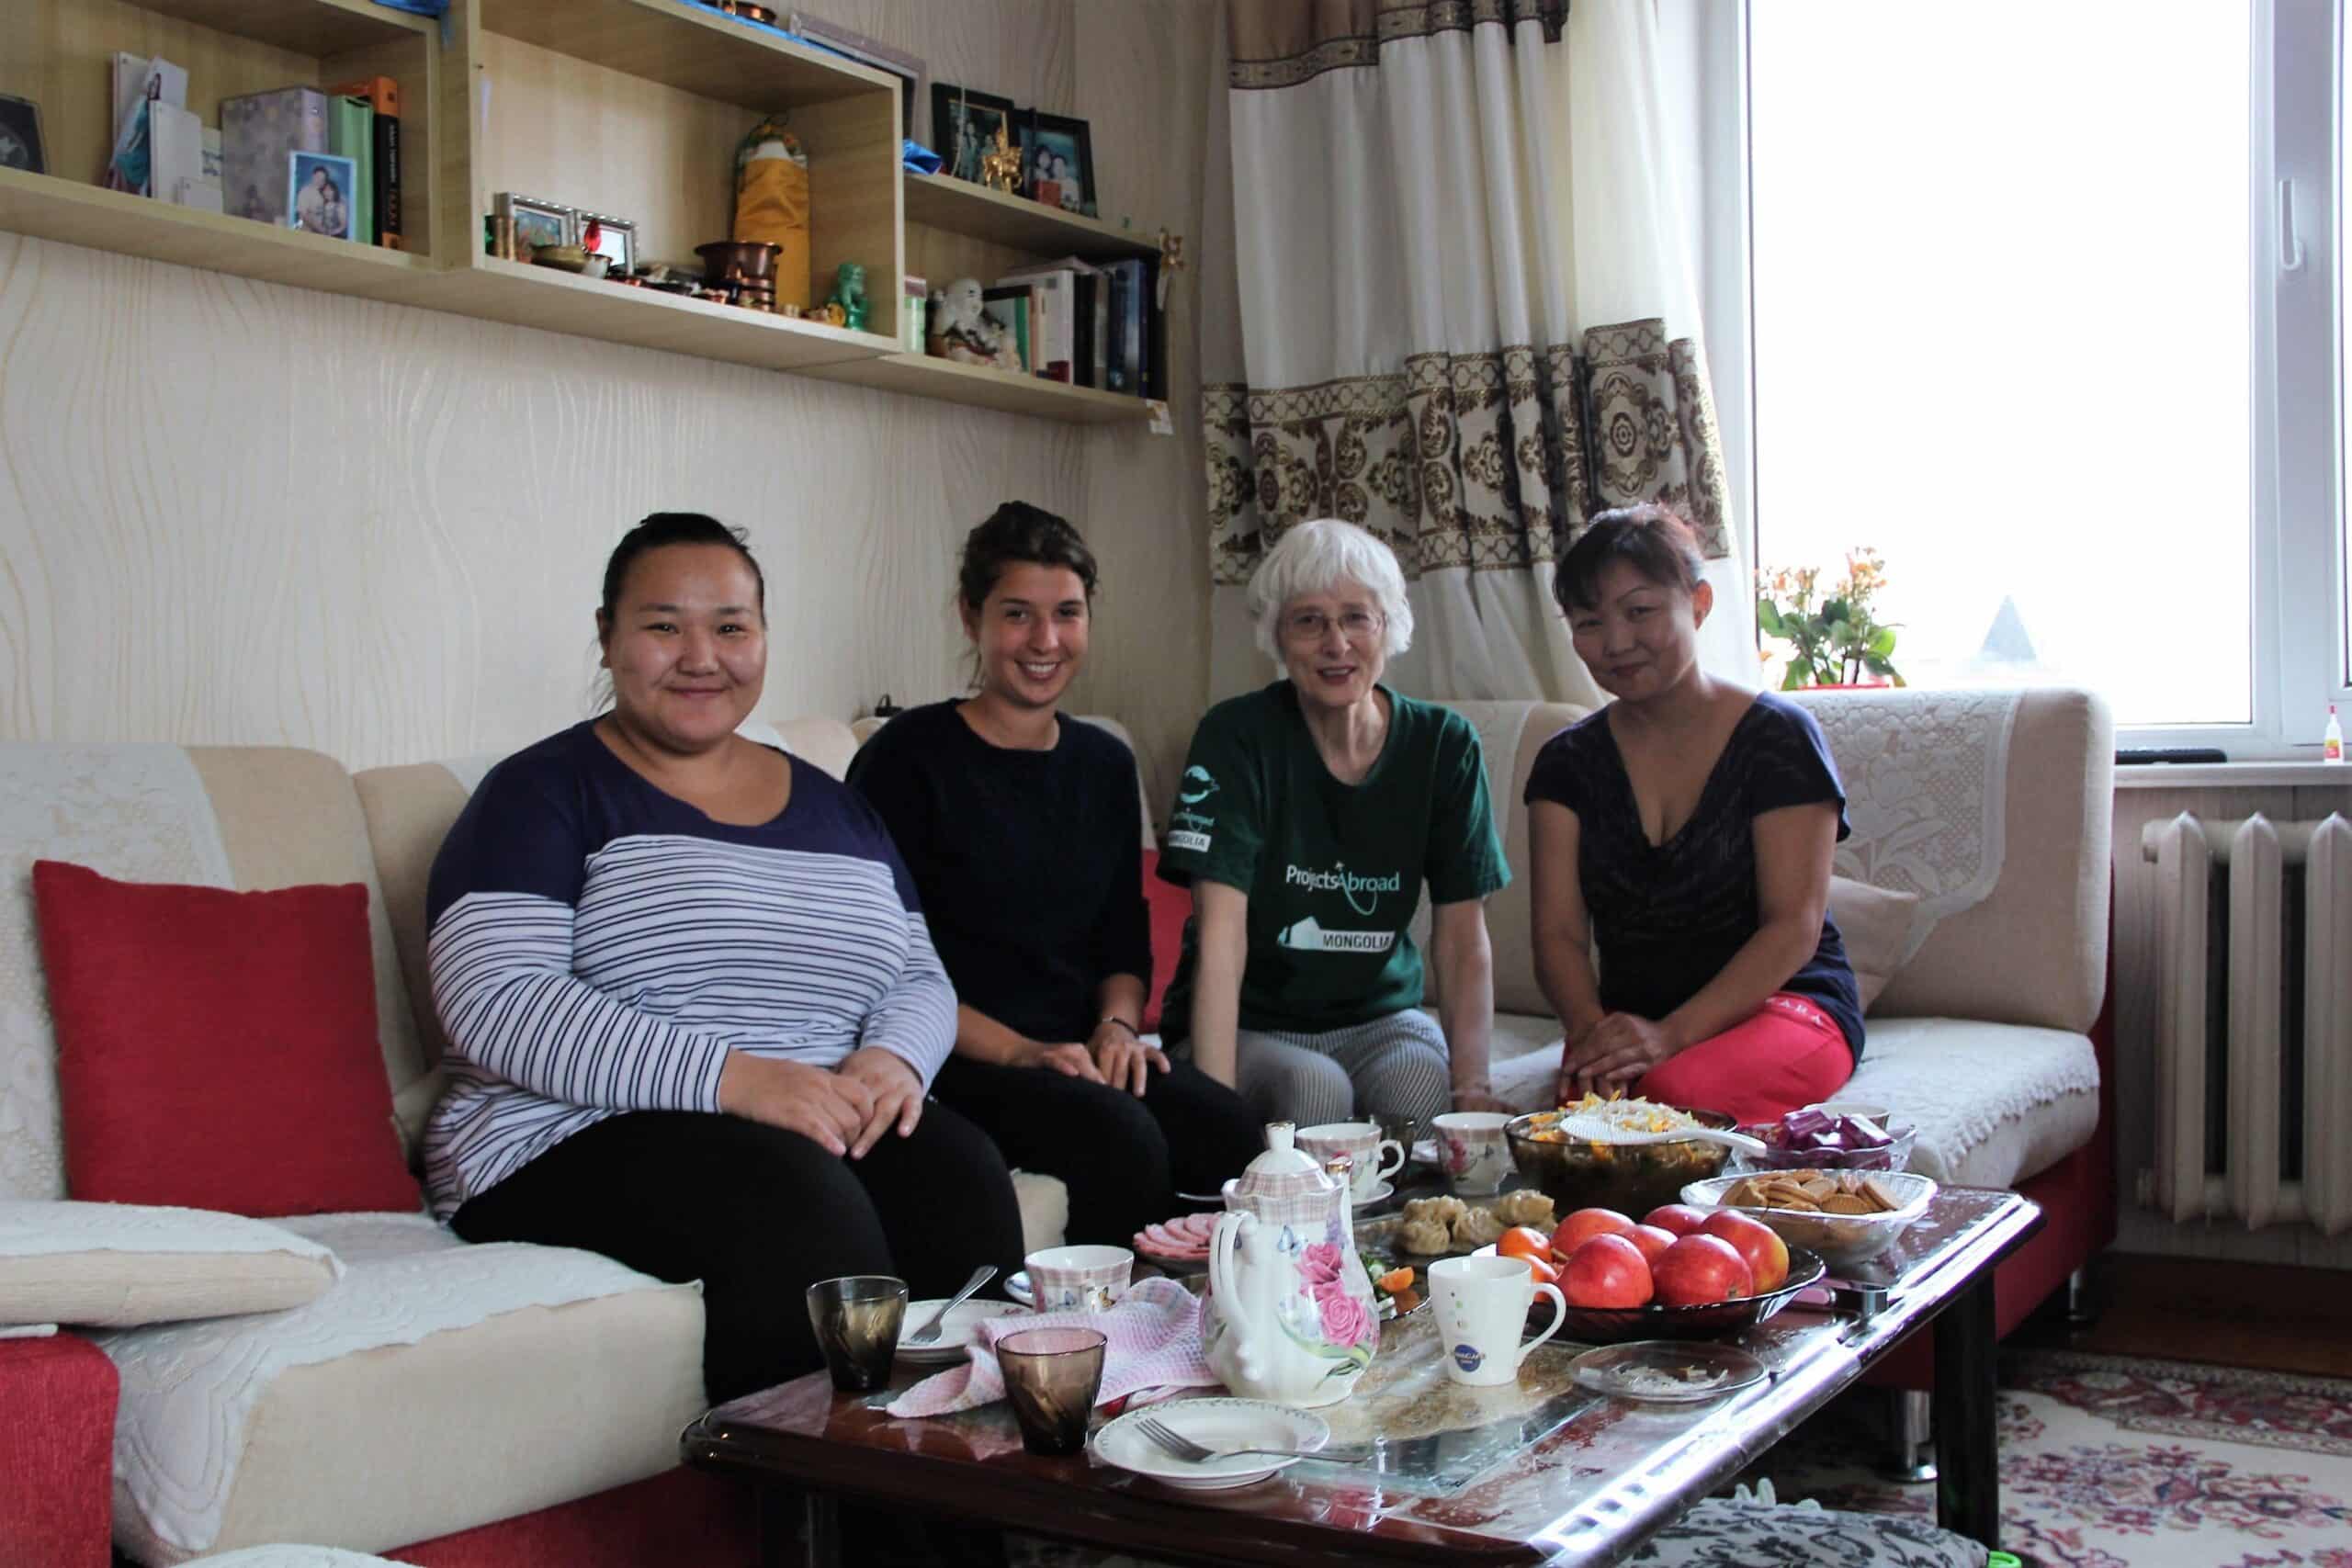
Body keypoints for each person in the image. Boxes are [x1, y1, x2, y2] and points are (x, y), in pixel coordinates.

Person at [424, 512, 1024, 1404]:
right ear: (607, 638)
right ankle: (821, 1521)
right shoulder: (541, 793)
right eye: (663, 625)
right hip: (571, 1134)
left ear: (763, 639)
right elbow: (498, 999)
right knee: (796, 1209)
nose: (700, 656)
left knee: (956, 1171)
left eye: (731, 628)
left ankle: (979, 1508)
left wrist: (892, 1058)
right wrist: (735, 1079)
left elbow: (916, 971)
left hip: (812, 1113)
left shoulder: (836, 808)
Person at [848, 502, 1263, 1243]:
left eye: (1066, 613)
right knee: (1121, 1139)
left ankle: (1219, 1327)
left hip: (1078, 1048)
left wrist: (1115, 1027)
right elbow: (882, 965)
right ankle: (1117, 1339)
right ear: (971, 615)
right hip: (959, 1055)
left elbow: (1121, 937)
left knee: (1231, 1130)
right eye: (1018, 614)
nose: (1045, 641)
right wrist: (1025, 1051)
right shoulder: (906, 758)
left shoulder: (1103, 761)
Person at [1157, 518, 1510, 1134]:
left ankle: (1391, 1232)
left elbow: (1461, 935)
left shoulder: (1443, 745)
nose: (1336, 643)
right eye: (1309, 620)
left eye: (1356, 617)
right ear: (1278, 636)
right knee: (1316, 1093)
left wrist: (1472, 1089)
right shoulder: (1236, 737)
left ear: (1388, 627)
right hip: (1254, 1023)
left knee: (1419, 1090)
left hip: (1382, 1018)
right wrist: (1209, 1112)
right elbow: (1221, 937)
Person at [1524, 504, 1860, 1124]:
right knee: (1582, 1116)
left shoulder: (1780, 739)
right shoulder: (1564, 763)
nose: (1617, 642)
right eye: (1589, 621)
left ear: (1699, 602)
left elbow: (1794, 926)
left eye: (1640, 611)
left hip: (1784, 1005)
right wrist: (1594, 1034)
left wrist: (1670, 1035)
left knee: (1670, 1100)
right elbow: (1558, 937)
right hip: (1632, 1021)